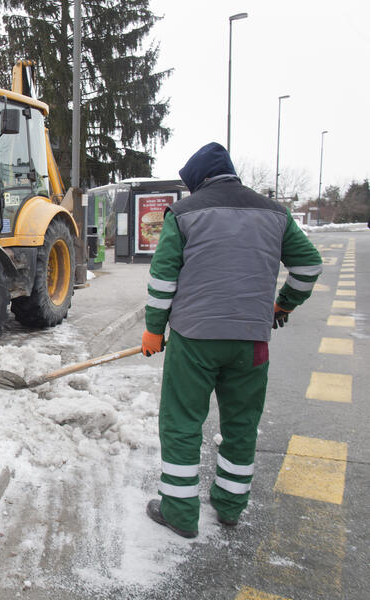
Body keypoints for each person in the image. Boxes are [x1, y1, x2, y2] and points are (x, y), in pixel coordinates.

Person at [140, 142, 322, 538]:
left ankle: (180, 514)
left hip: (194, 339)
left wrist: (155, 328)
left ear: (199, 182)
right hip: (251, 343)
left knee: (182, 423)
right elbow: (308, 265)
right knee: (242, 425)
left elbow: (163, 278)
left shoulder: (184, 214)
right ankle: (230, 507)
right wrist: (282, 306)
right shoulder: (276, 213)